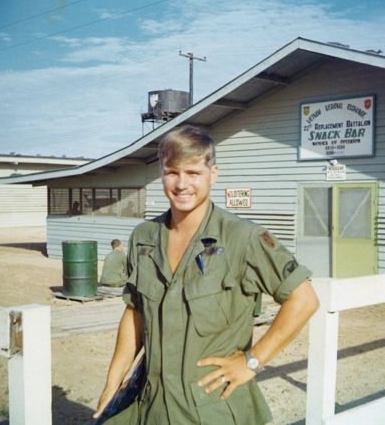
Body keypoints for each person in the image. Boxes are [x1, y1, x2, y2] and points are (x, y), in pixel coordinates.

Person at [93, 125, 319, 424]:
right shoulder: (145, 237)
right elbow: (135, 313)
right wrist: (113, 380)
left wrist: (252, 362)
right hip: (152, 405)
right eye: (172, 172)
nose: (182, 183)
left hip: (212, 408)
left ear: (213, 174)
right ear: (161, 172)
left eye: (194, 173)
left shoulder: (243, 238)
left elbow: (304, 300)